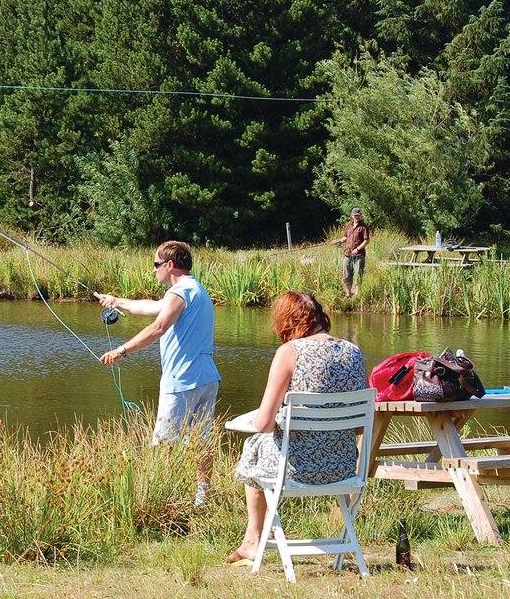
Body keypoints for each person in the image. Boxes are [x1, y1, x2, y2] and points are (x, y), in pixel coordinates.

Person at [225, 291, 366, 566]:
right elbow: (360, 427)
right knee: (259, 445)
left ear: (287, 321)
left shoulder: (289, 353)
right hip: (343, 468)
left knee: (253, 445)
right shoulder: (354, 352)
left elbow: (264, 424)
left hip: (297, 469)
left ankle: (253, 539)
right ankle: (253, 540)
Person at [96, 240, 221, 507]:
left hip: (181, 380)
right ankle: (202, 498)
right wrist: (116, 301)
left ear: (170, 265)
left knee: (164, 443)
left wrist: (122, 350)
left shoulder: (180, 293)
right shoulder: (195, 290)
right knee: (201, 440)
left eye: (156, 265)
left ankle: (162, 500)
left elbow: (158, 327)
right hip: (206, 377)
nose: (153, 270)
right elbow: (151, 307)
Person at [334, 207, 370, 298]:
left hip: (359, 255)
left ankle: (357, 295)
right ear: (352, 215)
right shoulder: (348, 225)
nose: (356, 217)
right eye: (355, 215)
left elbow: (366, 241)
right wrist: (338, 241)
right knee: (346, 274)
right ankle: (348, 294)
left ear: (360, 216)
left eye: (358, 215)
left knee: (358, 274)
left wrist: (357, 249)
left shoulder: (363, 227)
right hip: (348, 254)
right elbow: (346, 237)